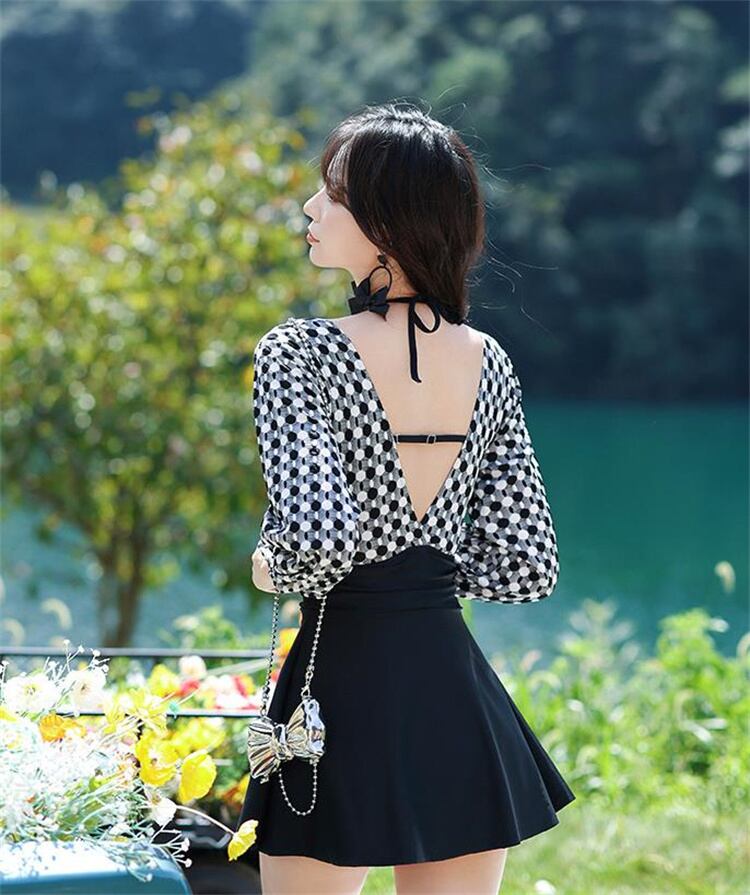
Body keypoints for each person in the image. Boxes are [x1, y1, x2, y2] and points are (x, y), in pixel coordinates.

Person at [239, 101, 575, 895]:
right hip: (452, 692)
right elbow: (526, 566)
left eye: (332, 194)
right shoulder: (487, 359)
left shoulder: (299, 351)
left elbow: (318, 543)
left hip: (337, 691)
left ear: (388, 222)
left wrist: (266, 565)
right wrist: (422, 572)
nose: (309, 208)